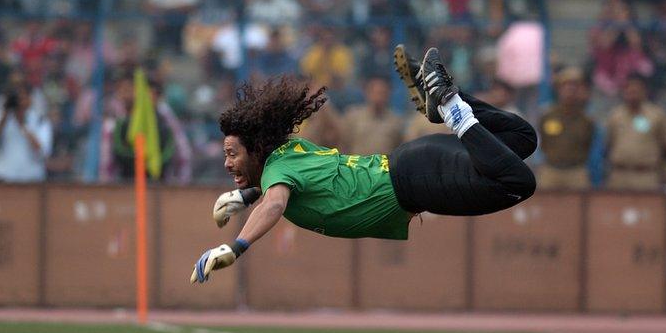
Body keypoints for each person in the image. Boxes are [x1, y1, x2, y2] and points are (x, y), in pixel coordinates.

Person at [190, 45, 537, 283]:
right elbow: (285, 189)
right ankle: (446, 102)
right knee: (523, 138)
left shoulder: (278, 173)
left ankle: (450, 105)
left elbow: (277, 203)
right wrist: (247, 195)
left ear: (256, 150)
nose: (226, 163)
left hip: (417, 181)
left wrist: (236, 247)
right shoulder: (288, 152)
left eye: (232, 153)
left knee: (518, 183)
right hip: (414, 163)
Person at [604, 74, 666, 191]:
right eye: (629, 90)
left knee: (647, 209)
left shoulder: (657, 115)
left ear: (644, 91)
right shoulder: (615, 116)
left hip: (646, 175)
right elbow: (608, 144)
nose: (632, 93)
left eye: (636, 90)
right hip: (619, 176)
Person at [0, 82, 53, 182]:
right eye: (17, 99)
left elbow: (43, 152)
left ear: (30, 99)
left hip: (32, 180)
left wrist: (23, 124)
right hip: (2, 178)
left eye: (23, 98)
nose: (20, 103)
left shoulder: (40, 120)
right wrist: (4, 117)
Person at [538, 67, 595, 190]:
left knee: (581, 206)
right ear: (558, 89)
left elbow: (588, 143)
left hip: (577, 171)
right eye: (566, 86)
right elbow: (543, 141)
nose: (570, 90)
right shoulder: (547, 115)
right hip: (551, 170)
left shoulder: (587, 120)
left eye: (575, 86)